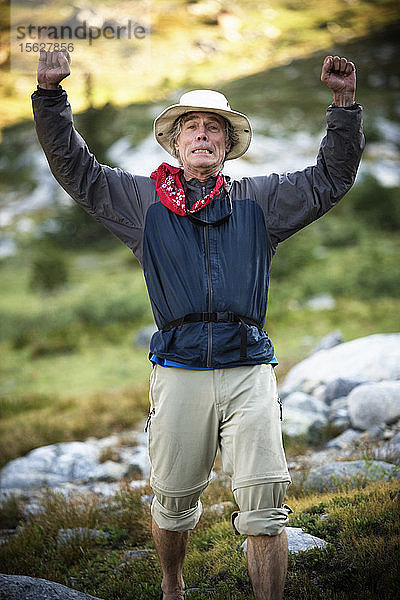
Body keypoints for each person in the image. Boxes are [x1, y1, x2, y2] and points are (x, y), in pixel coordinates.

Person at [32, 49, 364, 600]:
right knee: (173, 500)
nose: (203, 135)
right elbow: (77, 171)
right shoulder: (141, 203)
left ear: (228, 146)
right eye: (192, 127)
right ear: (175, 142)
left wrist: (343, 104)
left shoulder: (261, 201)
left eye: (215, 128)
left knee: (264, 506)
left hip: (248, 367)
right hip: (179, 366)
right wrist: (49, 96)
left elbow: (331, 177)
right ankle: (172, 585)